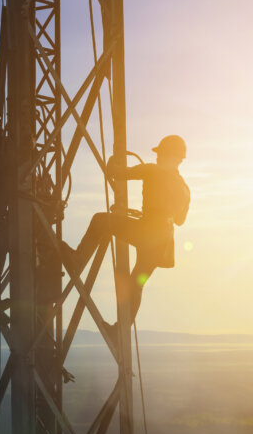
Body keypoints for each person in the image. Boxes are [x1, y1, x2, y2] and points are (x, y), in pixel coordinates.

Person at [63, 134, 190, 337]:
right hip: (162, 242)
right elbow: (180, 220)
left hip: (147, 233)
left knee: (100, 221)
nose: (157, 158)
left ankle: (77, 260)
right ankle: (120, 330)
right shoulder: (184, 188)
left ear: (168, 155)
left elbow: (116, 173)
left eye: (160, 154)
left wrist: (115, 158)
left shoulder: (151, 170)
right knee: (136, 283)